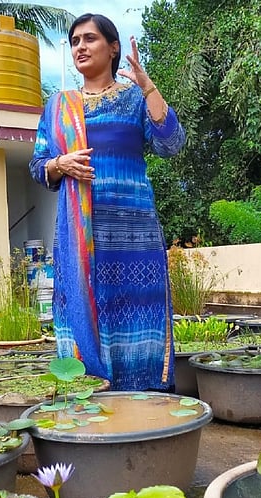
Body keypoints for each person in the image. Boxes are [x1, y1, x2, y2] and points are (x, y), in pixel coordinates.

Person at [28, 13, 185, 391]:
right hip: (80, 239)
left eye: (90, 39)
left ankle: (146, 406)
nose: (80, 47)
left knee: (137, 311)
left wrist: (148, 87)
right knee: (85, 311)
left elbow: (171, 143)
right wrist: (59, 163)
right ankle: (91, 406)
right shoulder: (58, 107)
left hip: (133, 233)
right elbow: (38, 165)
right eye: (75, 41)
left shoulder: (134, 99)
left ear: (113, 47)